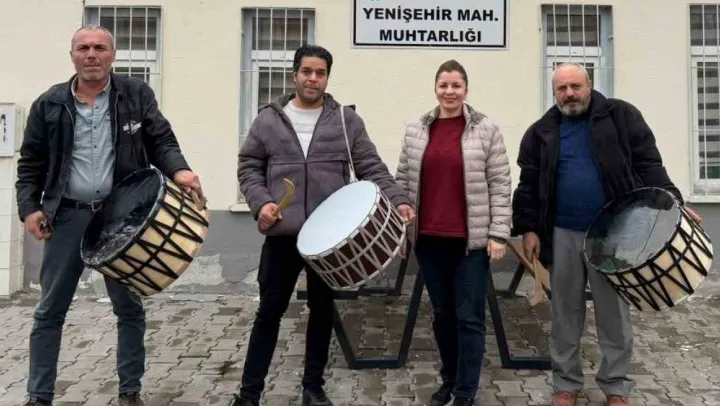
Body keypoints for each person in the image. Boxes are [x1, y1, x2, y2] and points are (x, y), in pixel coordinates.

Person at [15, 25, 204, 406]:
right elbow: (30, 163)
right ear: (72, 55)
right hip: (67, 217)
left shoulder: (135, 95)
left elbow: (161, 141)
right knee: (50, 311)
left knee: (129, 308)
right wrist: (29, 208)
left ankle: (130, 391)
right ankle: (39, 396)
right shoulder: (49, 104)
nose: (91, 54)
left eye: (100, 47)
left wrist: (180, 170)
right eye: (83, 47)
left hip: (123, 220)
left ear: (113, 55)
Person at [511, 62, 702, 406]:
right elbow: (528, 185)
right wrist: (527, 228)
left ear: (589, 85)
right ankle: (566, 384)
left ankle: (616, 386)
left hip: (615, 234)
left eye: (575, 86)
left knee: (613, 313)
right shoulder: (541, 131)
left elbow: (649, 165)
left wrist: (673, 202)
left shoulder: (621, 116)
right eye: (561, 88)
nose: (569, 94)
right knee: (565, 313)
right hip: (562, 232)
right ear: (553, 93)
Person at [234, 44, 415, 406]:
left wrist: (399, 199)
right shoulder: (268, 120)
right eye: (307, 71)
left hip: (330, 240)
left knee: (322, 311)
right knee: (269, 313)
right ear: (294, 75)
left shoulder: (346, 122)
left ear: (328, 78)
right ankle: (249, 394)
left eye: (320, 73)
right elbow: (249, 168)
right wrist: (261, 203)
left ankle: (312, 388)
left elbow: (372, 167)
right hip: (283, 236)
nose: (313, 79)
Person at [395, 59, 512, 406]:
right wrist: (401, 234)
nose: (450, 92)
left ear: (466, 89)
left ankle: (465, 391)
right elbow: (402, 184)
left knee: (470, 318)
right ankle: (449, 379)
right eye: (443, 85)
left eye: (456, 85)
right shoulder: (417, 129)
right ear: (435, 88)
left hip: (470, 243)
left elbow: (500, 183)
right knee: (443, 316)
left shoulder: (486, 129)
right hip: (428, 241)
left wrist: (498, 234)